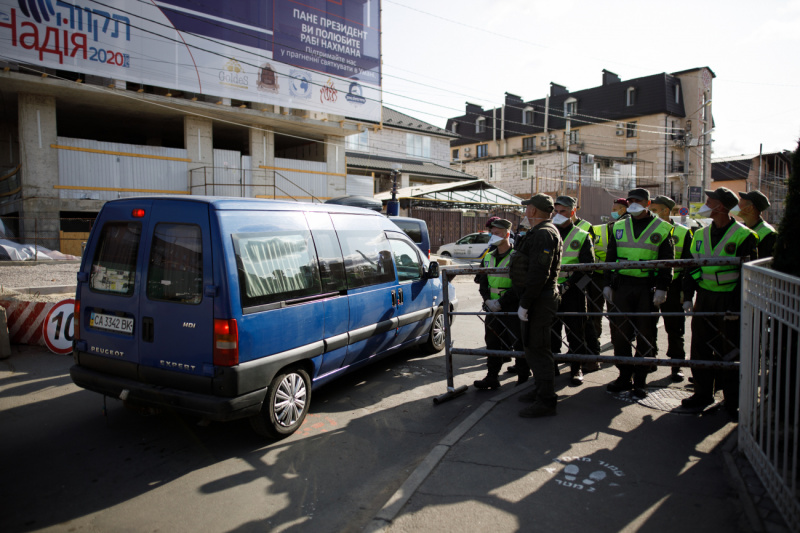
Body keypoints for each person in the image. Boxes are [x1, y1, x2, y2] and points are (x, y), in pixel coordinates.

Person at [681, 187, 758, 414]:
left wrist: (736, 305)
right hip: (704, 298)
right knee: (700, 347)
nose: (705, 204)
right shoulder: (700, 234)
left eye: (709, 201)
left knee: (730, 350)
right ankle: (702, 394)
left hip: (729, 299)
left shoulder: (745, 236)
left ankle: (732, 400)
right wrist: (687, 296)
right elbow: (692, 267)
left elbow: (748, 275)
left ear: (721, 206)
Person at [603, 188, 674, 398]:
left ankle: (640, 380)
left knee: (646, 333)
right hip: (622, 285)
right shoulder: (618, 226)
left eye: (638, 201)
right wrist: (607, 283)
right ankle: (624, 376)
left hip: (647, 286)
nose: (633, 204)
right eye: (630, 200)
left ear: (647, 203)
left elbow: (667, 261)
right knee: (620, 333)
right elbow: (610, 257)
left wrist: (663, 287)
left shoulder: (662, 227)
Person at [510, 194, 562, 418]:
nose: (525, 211)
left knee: (539, 350)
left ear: (533, 211)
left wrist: (526, 303)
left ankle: (546, 401)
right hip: (535, 299)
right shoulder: (539, 232)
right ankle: (540, 390)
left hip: (539, 299)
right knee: (532, 347)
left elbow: (539, 273)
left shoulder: (544, 233)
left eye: (527, 207)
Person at [473, 218, 530, 389]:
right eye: (491, 233)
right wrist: (487, 300)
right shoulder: (489, 256)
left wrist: (501, 302)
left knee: (518, 341)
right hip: (492, 306)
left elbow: (519, 285)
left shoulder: (516, 256)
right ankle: (492, 377)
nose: (493, 236)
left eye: (497, 233)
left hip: (511, 305)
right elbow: (482, 281)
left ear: (506, 234)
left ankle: (522, 377)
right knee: (492, 341)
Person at [551, 196, 595, 386]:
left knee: (576, 332)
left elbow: (588, 268)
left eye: (563, 211)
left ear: (573, 211)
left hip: (573, 291)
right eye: (556, 211)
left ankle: (576, 369)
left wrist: (568, 285)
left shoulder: (582, 235)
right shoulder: (549, 233)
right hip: (551, 290)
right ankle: (551, 367)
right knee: (551, 331)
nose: (558, 215)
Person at [649, 195, 692, 382]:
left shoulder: (683, 232)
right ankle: (649, 360)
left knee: (675, 328)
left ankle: (676, 365)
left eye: (654, 209)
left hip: (674, 285)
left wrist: (685, 291)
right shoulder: (647, 230)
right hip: (650, 282)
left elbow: (689, 264)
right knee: (648, 325)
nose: (651, 213)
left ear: (666, 211)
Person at [586, 198, 629, 355]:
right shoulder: (601, 228)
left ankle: (617, 343)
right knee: (595, 311)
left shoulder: (625, 228)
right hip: (598, 276)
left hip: (616, 276)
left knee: (615, 313)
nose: (613, 211)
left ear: (623, 209)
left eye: (615, 208)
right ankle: (595, 344)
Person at [737, 190, 777, 258]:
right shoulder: (741, 228)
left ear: (750, 208)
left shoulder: (769, 234)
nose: (737, 204)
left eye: (740, 201)